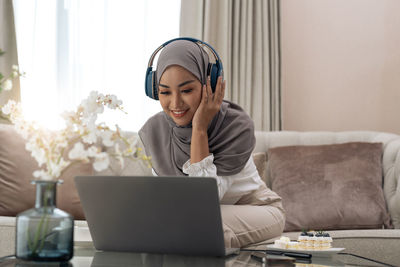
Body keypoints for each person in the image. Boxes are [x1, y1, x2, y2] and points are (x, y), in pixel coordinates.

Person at [139, 38, 285, 248]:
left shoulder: (235, 126)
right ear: (155, 92)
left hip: (259, 209)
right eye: (165, 92)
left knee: (201, 223)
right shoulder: (155, 130)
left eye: (187, 90)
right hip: (193, 214)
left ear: (210, 84)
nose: (176, 103)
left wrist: (199, 129)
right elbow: (171, 200)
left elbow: (202, 200)